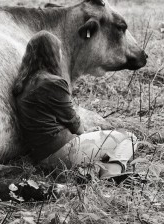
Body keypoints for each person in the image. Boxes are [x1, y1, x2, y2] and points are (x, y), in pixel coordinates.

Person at [13, 31, 136, 181]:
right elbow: (75, 126)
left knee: (101, 142)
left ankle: (93, 170)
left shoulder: (22, 84)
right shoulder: (54, 83)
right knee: (128, 138)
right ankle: (111, 173)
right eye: (59, 51)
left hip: (41, 157)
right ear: (53, 54)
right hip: (63, 152)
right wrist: (88, 131)